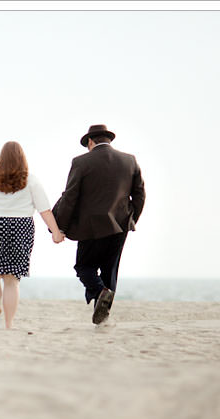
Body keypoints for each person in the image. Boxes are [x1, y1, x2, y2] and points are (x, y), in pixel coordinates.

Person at [52, 124, 146, 325]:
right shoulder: (130, 161)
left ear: (91, 142)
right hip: (121, 225)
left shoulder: (81, 162)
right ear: (108, 140)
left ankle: (100, 292)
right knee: (110, 270)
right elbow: (139, 194)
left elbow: (70, 197)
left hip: (91, 227)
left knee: (84, 267)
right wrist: (131, 219)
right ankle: (103, 314)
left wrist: (61, 226)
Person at [0, 141, 64, 329]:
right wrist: (55, 232)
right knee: (12, 279)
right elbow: (44, 210)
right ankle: (9, 324)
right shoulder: (31, 180)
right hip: (20, 228)